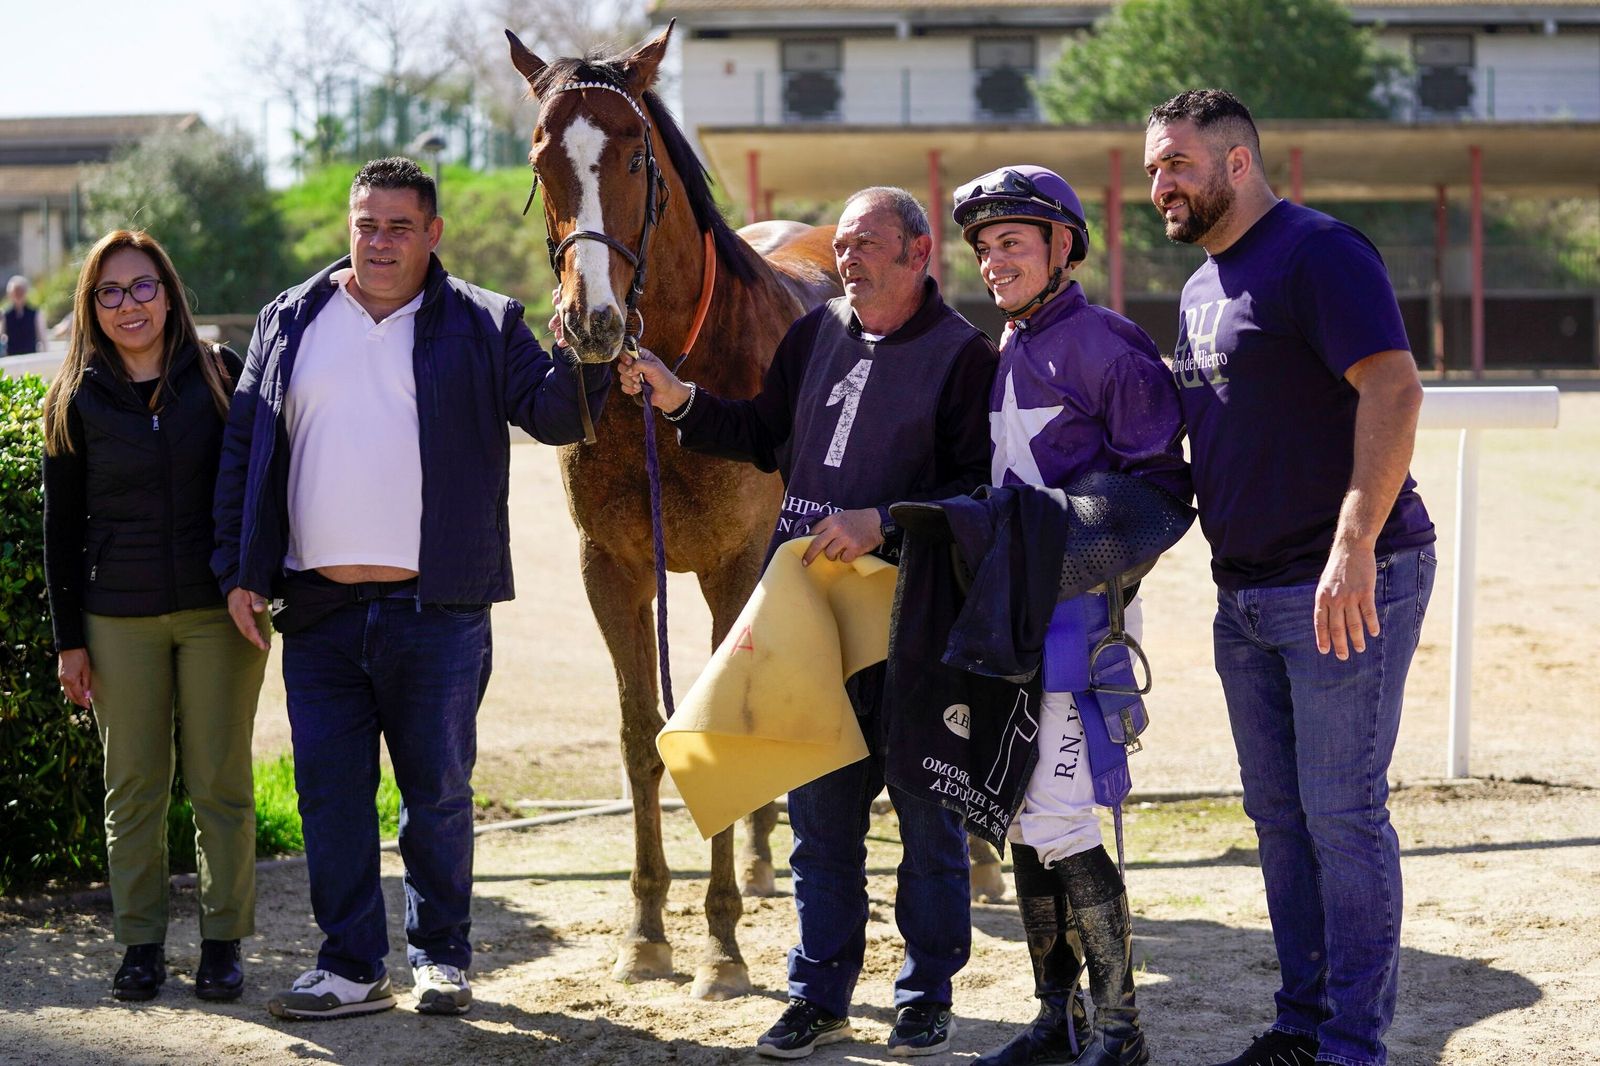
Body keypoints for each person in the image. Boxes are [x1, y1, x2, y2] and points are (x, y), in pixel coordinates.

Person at [212, 157, 611, 1021]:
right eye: (366, 224)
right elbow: (244, 449)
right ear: (347, 227)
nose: (380, 241)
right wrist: (240, 572)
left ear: (434, 234)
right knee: (330, 797)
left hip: (438, 610)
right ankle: (352, 967)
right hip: (315, 610)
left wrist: (587, 350)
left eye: (399, 226)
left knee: (435, 795)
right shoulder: (290, 319)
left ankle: (441, 960)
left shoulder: (486, 321)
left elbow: (557, 417)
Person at [617, 187, 997, 1059]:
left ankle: (925, 994)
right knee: (821, 824)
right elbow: (759, 434)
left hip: (915, 624)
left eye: (869, 244)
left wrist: (885, 518)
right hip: (812, 624)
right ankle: (817, 992)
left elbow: (981, 491)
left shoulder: (963, 357)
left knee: (929, 823)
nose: (850, 258)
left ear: (918, 252)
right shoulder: (816, 333)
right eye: (847, 245)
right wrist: (678, 398)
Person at [1144, 90, 1435, 1066]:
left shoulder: (1319, 251)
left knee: (1340, 813)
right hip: (1246, 596)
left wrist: (1351, 546)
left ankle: (1352, 1042)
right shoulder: (1196, 289)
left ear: (1236, 161)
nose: (1159, 184)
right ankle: (1300, 1025)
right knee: (1277, 818)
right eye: (1151, 168)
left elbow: (1393, 387)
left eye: (1175, 162)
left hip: (1348, 581)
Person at [949, 165, 1189, 1066]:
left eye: (1013, 241)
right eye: (984, 245)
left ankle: (1120, 1028)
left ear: (1062, 246)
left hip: (1076, 635)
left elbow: (1162, 496)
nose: (994, 259)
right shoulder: (1008, 344)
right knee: (1019, 818)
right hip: (1008, 628)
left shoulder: (1109, 345)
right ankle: (1058, 1019)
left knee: (1061, 823)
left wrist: (1070, 564)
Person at [42, 230, 267, 1003]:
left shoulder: (219, 375)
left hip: (216, 613)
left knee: (221, 784)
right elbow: (60, 534)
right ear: (92, 309)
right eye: (110, 293)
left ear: (168, 293)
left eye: (141, 288)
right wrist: (69, 640)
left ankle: (222, 943)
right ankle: (139, 945)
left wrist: (254, 579)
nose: (128, 305)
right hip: (118, 619)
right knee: (133, 785)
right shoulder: (76, 400)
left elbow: (257, 490)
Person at [4, 274, 49, 355]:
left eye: (21, 291)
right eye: (16, 292)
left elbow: (43, 339)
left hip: (31, 359)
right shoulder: (5, 315)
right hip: (12, 359)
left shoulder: (36, 314)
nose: (18, 295)